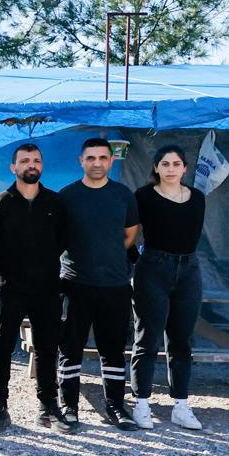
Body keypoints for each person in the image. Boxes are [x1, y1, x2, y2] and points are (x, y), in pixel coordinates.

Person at [0, 142, 66, 434]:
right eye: (25, 160)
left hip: (47, 287)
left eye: (36, 160)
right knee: (1, 345)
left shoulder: (55, 204)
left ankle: (48, 405)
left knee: (47, 346)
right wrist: (8, 270)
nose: (32, 165)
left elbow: (64, 240)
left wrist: (43, 266)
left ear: (41, 166)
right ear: (13, 167)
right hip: (10, 287)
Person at [56, 138, 140, 432]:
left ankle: (117, 407)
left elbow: (130, 234)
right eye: (91, 158)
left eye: (103, 158)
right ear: (81, 160)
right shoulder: (67, 196)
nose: (97, 163)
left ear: (111, 161)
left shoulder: (123, 195)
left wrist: (110, 255)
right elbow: (58, 237)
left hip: (115, 284)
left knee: (113, 348)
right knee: (70, 347)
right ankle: (68, 406)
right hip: (75, 283)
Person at [130, 145, 207, 431]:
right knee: (147, 338)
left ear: (185, 168)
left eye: (176, 163)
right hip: (153, 267)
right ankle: (141, 403)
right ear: (156, 168)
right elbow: (130, 231)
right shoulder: (144, 196)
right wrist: (135, 263)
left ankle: (181, 405)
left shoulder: (197, 198)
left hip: (189, 269)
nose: (171, 168)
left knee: (181, 339)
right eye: (165, 163)